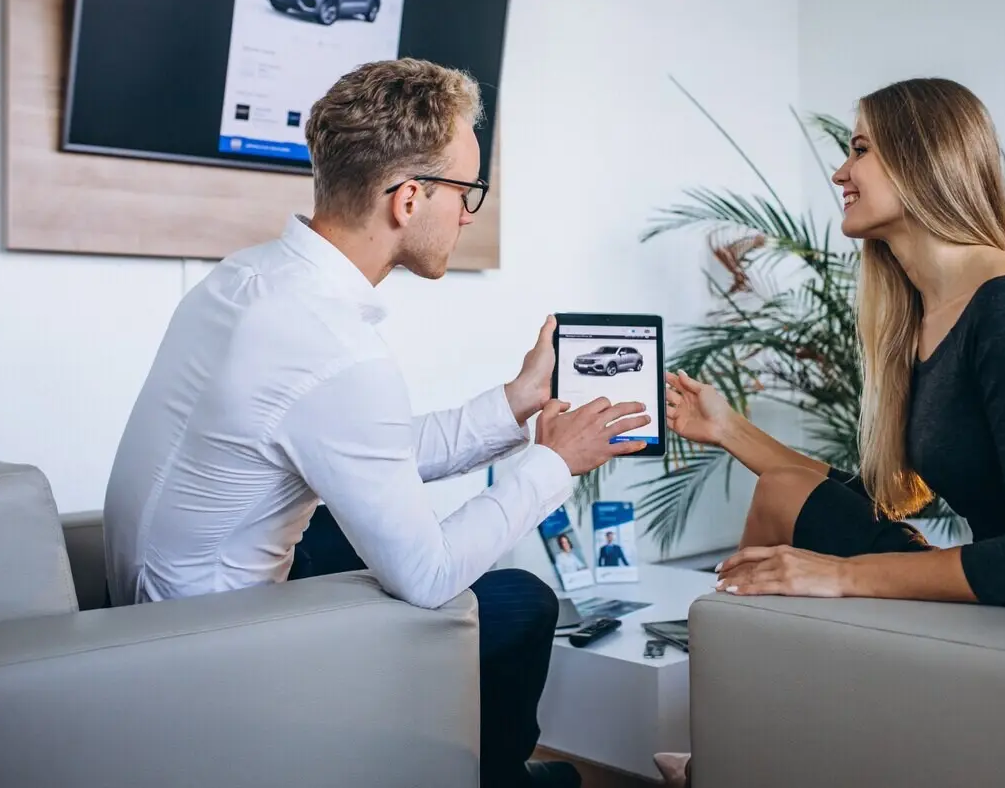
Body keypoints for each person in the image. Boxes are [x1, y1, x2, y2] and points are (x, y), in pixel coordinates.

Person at [103, 58, 649, 788]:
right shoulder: (334, 346)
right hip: (216, 652)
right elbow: (426, 577)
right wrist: (553, 464)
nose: (467, 213)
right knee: (517, 600)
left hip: (158, 611)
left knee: (346, 527)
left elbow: (365, 449)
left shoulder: (247, 278)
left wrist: (517, 400)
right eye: (466, 192)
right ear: (409, 197)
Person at [654, 76, 1005, 787]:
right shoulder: (927, 314)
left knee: (798, 542)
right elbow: (868, 494)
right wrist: (728, 429)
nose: (840, 171)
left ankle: (732, 756)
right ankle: (735, 746)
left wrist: (840, 575)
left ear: (921, 158)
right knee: (785, 491)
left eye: (861, 149)